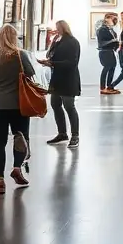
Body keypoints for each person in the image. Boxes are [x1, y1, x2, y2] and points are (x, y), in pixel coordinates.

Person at [0, 25, 36, 194]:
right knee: (21, 137)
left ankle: (0, 180)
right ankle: (17, 167)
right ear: (14, 37)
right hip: (18, 105)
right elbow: (31, 73)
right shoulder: (20, 54)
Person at [40, 20, 81, 148]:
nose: (56, 30)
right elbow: (51, 55)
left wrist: (52, 64)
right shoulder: (58, 41)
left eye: (58, 28)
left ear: (64, 28)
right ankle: (62, 133)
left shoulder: (72, 42)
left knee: (69, 106)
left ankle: (75, 135)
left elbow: (72, 63)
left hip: (68, 79)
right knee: (55, 104)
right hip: (57, 78)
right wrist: (52, 47)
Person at [96, 13, 120, 95]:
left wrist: (117, 45)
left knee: (112, 68)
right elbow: (101, 43)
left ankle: (109, 87)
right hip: (104, 52)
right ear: (107, 18)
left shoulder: (112, 30)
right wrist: (112, 41)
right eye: (113, 19)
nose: (115, 21)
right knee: (106, 68)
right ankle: (102, 88)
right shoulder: (102, 30)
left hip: (111, 51)